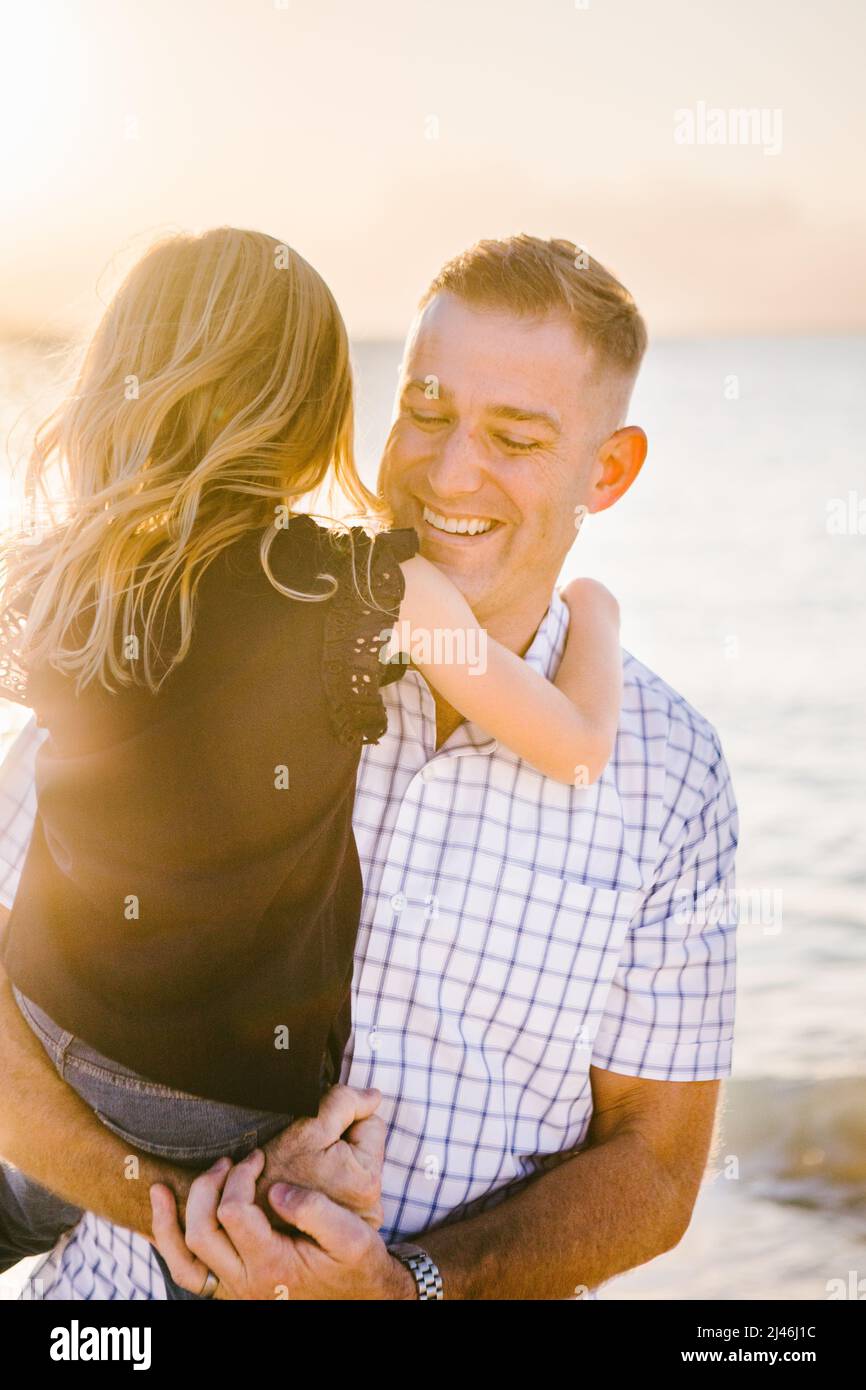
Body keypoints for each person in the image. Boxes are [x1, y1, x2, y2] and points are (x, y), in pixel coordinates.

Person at [0, 235, 738, 1300]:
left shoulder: (672, 777)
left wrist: (403, 1290)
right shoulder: (226, 622)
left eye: (515, 438)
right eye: (425, 414)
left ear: (607, 470)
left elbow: (657, 1168)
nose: (448, 474)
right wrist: (212, 1218)